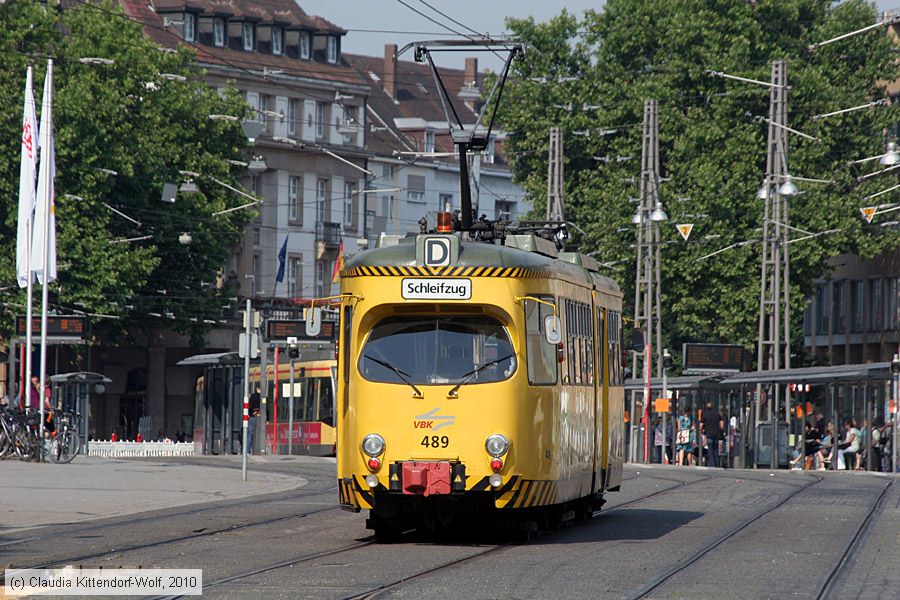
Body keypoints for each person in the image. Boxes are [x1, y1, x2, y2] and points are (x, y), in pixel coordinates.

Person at [700, 401, 724, 468]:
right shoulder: (717, 414)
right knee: (715, 449)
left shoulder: (705, 415)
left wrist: (701, 431)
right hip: (716, 434)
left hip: (709, 434)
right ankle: (716, 463)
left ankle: (712, 464)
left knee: (710, 449)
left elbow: (701, 425)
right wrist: (721, 430)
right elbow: (722, 424)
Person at [247, 385, 261, 455]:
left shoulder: (252, 396)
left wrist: (249, 414)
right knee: (259, 433)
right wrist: (267, 419)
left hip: (252, 417)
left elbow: (249, 406)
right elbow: (266, 409)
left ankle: (248, 450)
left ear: (256, 388)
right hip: (260, 418)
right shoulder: (264, 397)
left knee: (250, 434)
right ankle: (258, 450)